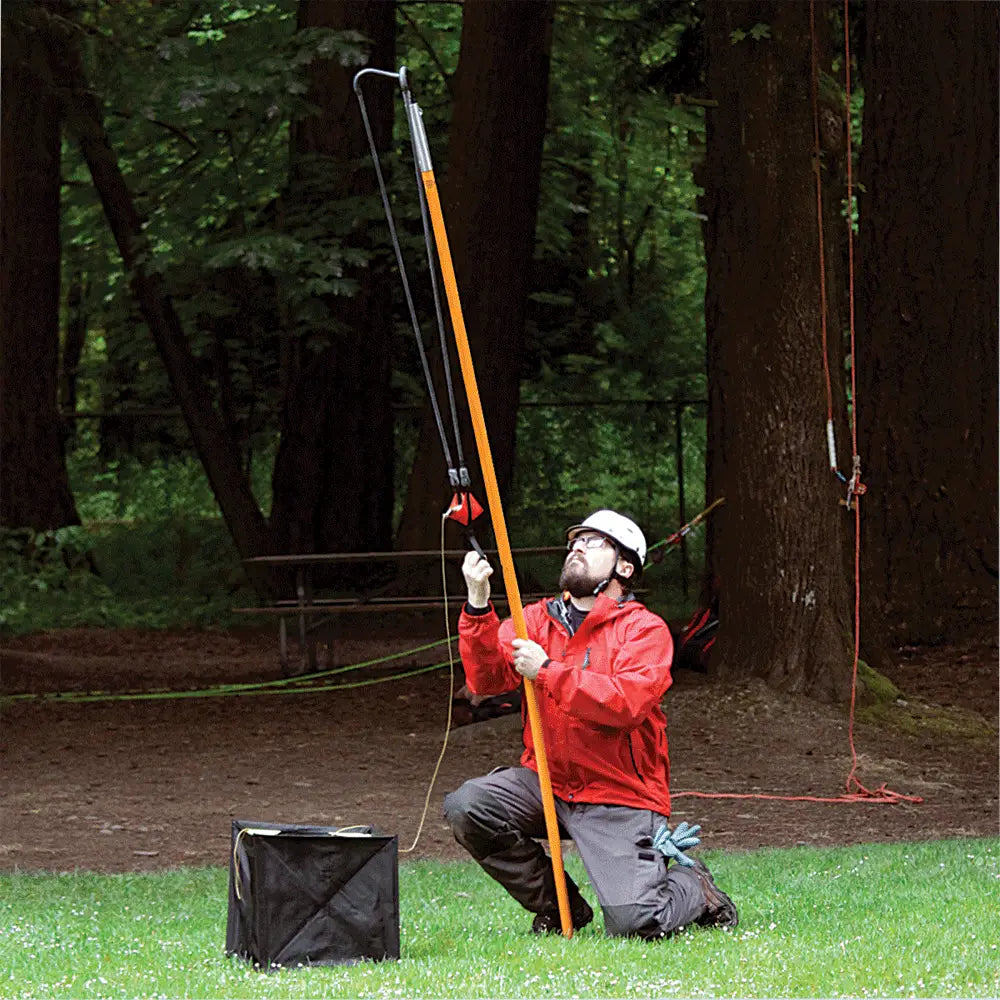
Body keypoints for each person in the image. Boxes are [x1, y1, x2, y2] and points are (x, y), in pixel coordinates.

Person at [443, 509, 738, 939]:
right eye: (575, 541)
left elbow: (625, 704)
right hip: (548, 783)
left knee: (638, 922)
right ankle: (560, 907)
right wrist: (477, 603)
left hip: (619, 794)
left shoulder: (645, 630)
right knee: (468, 806)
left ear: (625, 567)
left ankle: (696, 886)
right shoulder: (535, 621)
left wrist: (547, 671)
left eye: (594, 541)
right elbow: (485, 680)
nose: (578, 547)